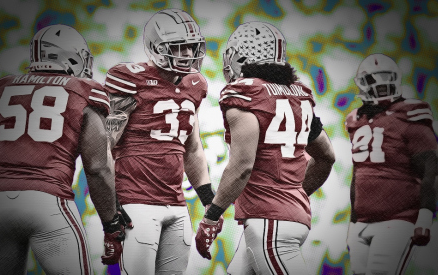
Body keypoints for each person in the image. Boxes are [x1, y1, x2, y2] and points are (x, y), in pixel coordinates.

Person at [0, 24, 125, 274]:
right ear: (71, 57)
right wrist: (111, 226)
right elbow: (97, 167)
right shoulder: (83, 92)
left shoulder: (5, 89)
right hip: (49, 203)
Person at [194, 21, 336, 274]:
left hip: (271, 225)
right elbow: (326, 156)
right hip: (283, 219)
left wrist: (211, 216)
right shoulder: (298, 94)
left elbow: (241, 166)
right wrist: (293, 195)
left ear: (243, 57)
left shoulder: (246, 93)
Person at [102, 8, 216, 274]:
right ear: (156, 47)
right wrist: (112, 205)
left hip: (176, 204)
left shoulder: (195, 84)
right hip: (136, 202)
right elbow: (104, 145)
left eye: (191, 47)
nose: (187, 54)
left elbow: (193, 147)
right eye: (178, 47)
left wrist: (208, 198)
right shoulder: (129, 78)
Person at [345, 53, 437, 275]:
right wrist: (353, 220)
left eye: (386, 77)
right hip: (362, 221)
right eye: (375, 79)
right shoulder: (355, 119)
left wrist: (425, 216)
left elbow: (430, 169)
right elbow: (360, 174)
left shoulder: (410, 114)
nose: (382, 84)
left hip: (397, 219)